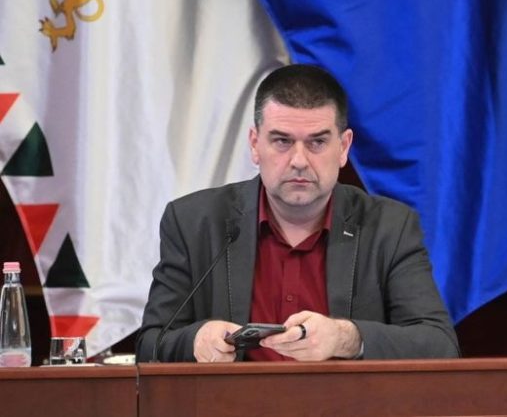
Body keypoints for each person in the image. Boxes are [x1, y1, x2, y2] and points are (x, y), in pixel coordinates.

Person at [137, 64, 459, 362]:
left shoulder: (390, 228)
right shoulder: (193, 222)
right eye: (282, 141)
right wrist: (196, 340)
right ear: (255, 144)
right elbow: (149, 345)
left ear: (344, 147)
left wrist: (345, 338)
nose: (299, 161)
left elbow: (439, 345)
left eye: (317, 142)